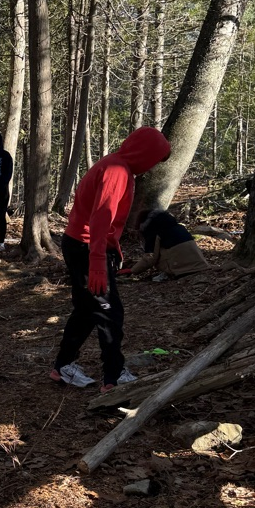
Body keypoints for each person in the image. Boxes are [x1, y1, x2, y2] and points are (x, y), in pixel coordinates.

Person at [50, 127, 171, 393]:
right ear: (144, 153)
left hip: (80, 244)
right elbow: (101, 217)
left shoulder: (115, 164)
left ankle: (63, 367)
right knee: (109, 313)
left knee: (85, 309)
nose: (151, 167)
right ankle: (113, 378)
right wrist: (97, 262)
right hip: (87, 248)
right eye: (153, 159)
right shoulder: (117, 171)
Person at [127, 209, 209, 280]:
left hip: (180, 269)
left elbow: (150, 258)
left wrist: (132, 270)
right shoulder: (179, 227)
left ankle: (169, 272)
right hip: (200, 265)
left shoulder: (153, 232)